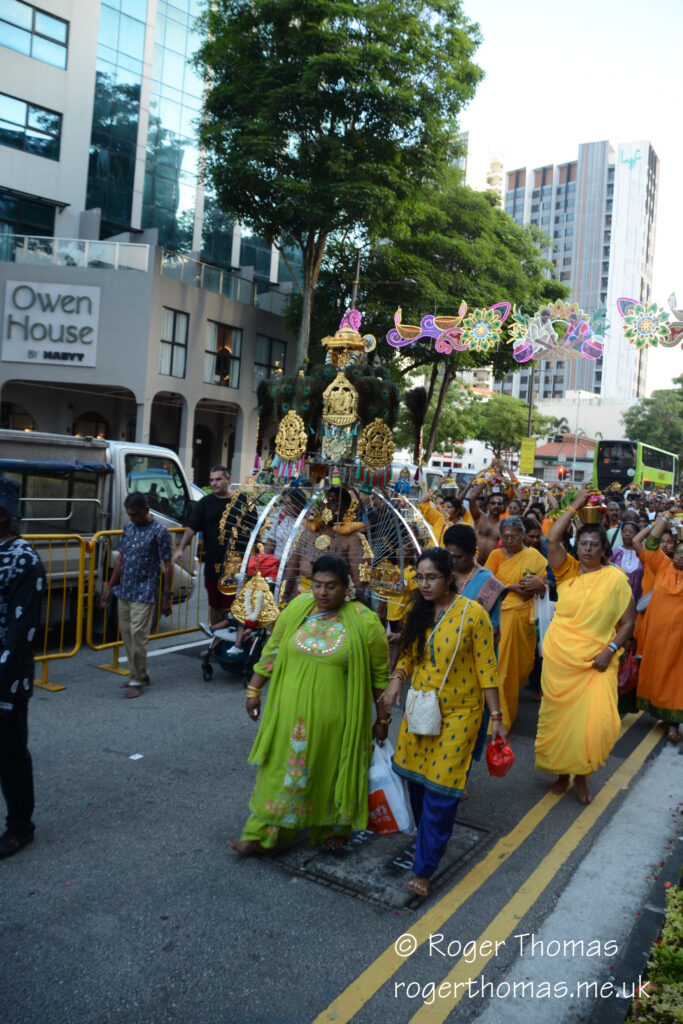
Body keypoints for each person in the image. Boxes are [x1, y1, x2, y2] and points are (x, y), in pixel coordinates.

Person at [229, 556, 389, 854]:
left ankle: (331, 828)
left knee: (328, 771)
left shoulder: (365, 621)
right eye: (317, 585)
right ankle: (261, 833)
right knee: (279, 771)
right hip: (287, 714)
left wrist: (382, 720)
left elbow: (380, 678)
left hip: (336, 721)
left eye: (331, 586)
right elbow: (272, 651)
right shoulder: (298, 608)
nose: (322, 592)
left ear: (346, 586)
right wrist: (253, 689)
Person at [383, 547, 505, 899]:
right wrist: (396, 680)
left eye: (431, 578)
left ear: (449, 577)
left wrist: (496, 718)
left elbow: (487, 668)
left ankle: (424, 867)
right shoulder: (417, 610)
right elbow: (409, 653)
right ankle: (433, 838)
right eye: (419, 577)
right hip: (421, 706)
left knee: (441, 787)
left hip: (460, 714)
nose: (424, 584)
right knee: (417, 783)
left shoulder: (473, 614)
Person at [535, 486, 635, 804]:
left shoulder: (616, 579)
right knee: (562, 721)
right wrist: (575, 506)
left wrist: (609, 651)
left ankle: (582, 776)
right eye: (583, 543)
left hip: (597, 662)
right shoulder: (567, 572)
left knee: (594, 725)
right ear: (576, 546)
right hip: (561, 662)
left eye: (594, 544)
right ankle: (562, 775)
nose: (588, 548)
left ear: (604, 549)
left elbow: (628, 624)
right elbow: (552, 539)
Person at [0, 477, 45, 858]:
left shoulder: (23, 559)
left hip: (7, 676)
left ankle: (20, 828)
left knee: (10, 753)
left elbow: (22, 628)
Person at [101, 493, 173, 698]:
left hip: (145, 590)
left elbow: (168, 565)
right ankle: (139, 674)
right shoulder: (129, 527)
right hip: (125, 589)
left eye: (136, 514)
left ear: (146, 510)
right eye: (130, 514)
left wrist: (166, 596)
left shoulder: (160, 531)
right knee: (127, 635)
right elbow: (120, 560)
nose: (132, 518)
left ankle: (137, 680)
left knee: (138, 636)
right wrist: (109, 588)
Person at [484, 516, 547, 730]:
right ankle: (500, 719)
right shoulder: (495, 555)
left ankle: (504, 709)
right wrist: (510, 587)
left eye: (514, 537)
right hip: (501, 617)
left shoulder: (533, 556)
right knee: (502, 670)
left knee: (519, 669)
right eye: (506, 537)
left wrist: (537, 584)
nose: (509, 541)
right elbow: (486, 583)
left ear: (523, 536)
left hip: (524, 620)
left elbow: (544, 587)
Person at [634, 515, 683, 743]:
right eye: (679, 552)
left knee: (676, 679)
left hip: (679, 641)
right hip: (656, 636)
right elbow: (651, 542)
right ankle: (664, 715)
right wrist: (665, 518)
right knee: (658, 675)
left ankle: (673, 725)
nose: (681, 555)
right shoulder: (662, 565)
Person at [172, 465, 233, 627]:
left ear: (228, 479)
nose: (214, 483)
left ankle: (233, 640)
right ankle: (216, 639)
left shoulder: (241, 503)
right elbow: (192, 528)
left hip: (236, 566)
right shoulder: (205, 503)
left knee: (233, 608)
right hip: (213, 565)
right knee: (215, 606)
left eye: (218, 479)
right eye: (212, 480)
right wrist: (180, 549)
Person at [443, 524, 505, 647]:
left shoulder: (488, 582)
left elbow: (494, 631)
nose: (453, 561)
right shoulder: (443, 573)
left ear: (472, 553)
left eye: (458, 557)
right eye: (450, 556)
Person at [610, 520, 644, 605]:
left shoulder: (643, 554)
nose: (627, 534)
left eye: (631, 532)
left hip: (637, 597)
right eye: (624, 531)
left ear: (637, 535)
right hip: (616, 597)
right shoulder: (614, 553)